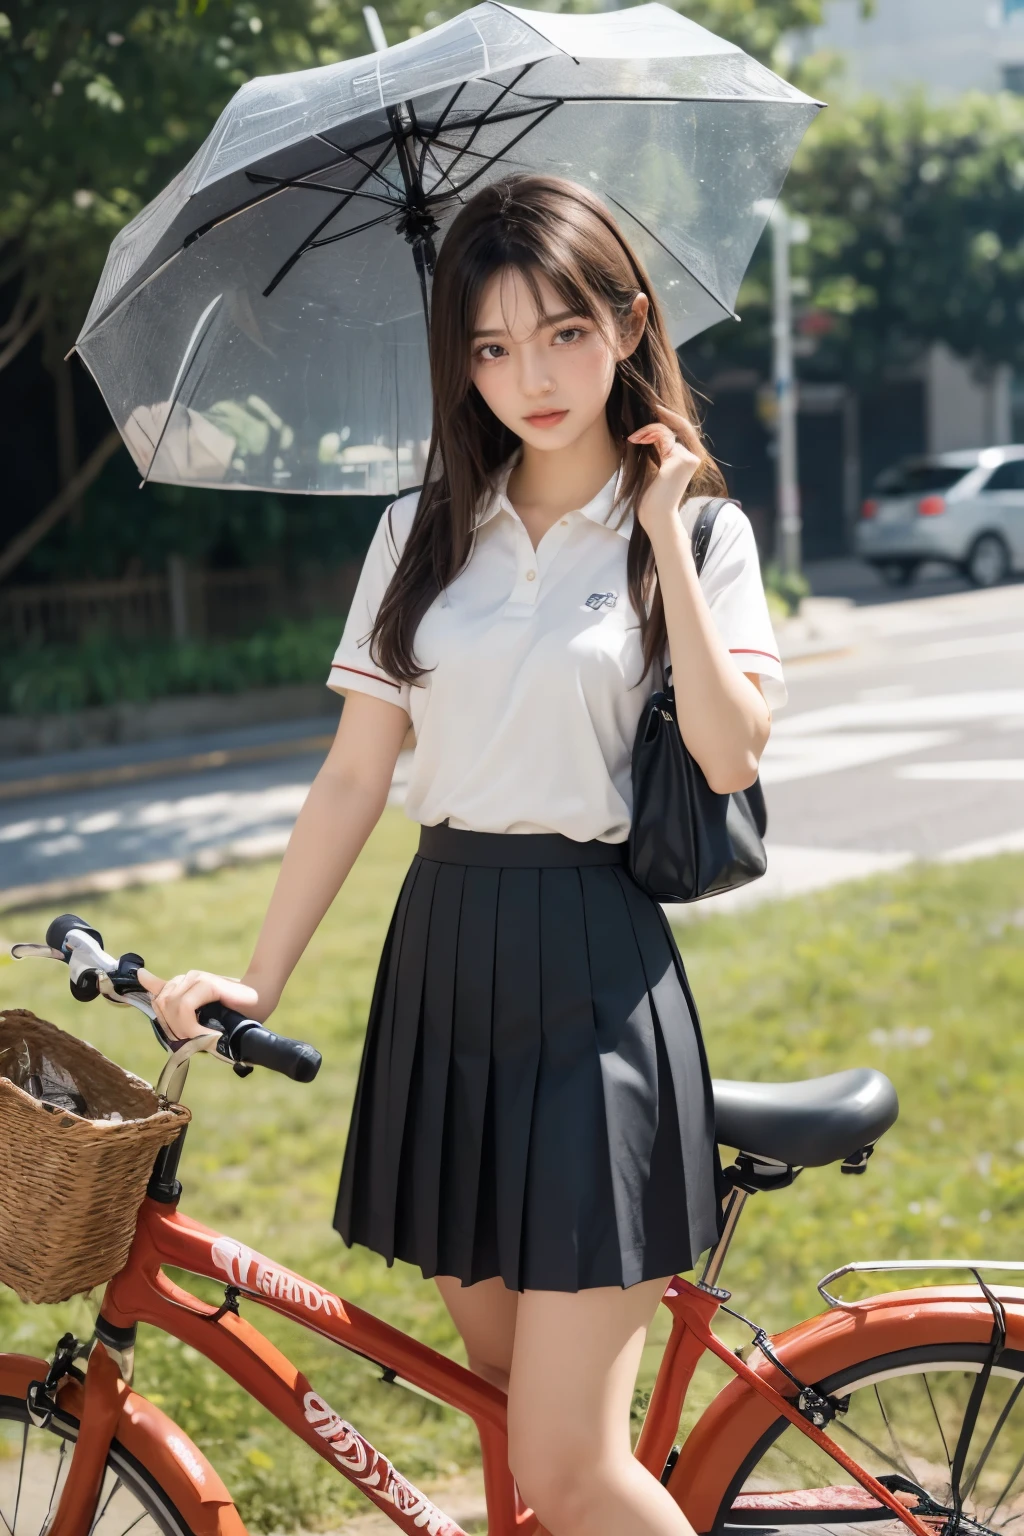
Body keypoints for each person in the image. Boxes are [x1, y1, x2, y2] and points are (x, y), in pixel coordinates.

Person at [141, 175, 787, 1536]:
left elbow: (731, 758)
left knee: (567, 1468)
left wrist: (662, 526)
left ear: (628, 322)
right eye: (488, 348)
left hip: (598, 984)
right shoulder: (419, 531)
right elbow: (355, 778)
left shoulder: (702, 534)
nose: (529, 377)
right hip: (443, 971)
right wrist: (261, 974)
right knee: (510, 1421)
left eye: (560, 333)